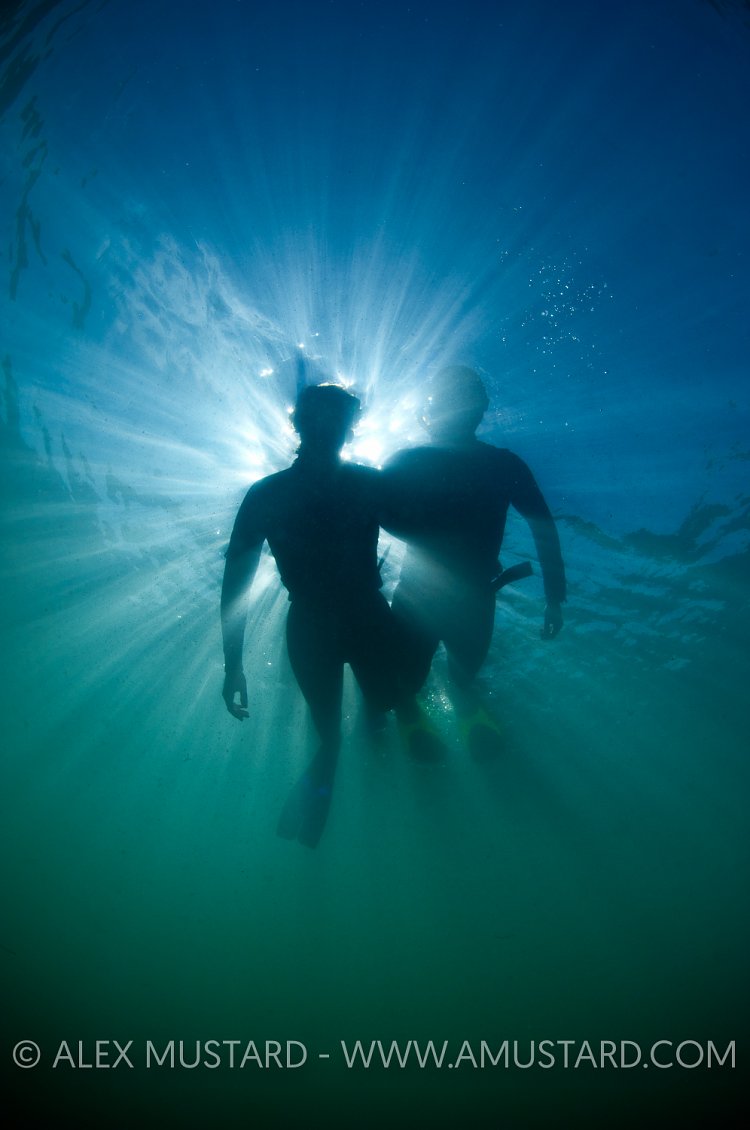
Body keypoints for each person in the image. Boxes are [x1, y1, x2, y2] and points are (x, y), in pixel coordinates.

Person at [221, 383, 401, 847]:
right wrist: (232, 665)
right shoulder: (364, 483)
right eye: (322, 417)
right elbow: (235, 584)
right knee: (361, 719)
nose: (327, 427)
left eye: (334, 418)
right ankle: (375, 737)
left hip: (325, 624)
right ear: (301, 423)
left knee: (355, 723)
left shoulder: (271, 493)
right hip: (346, 621)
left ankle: (378, 733)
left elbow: (235, 585)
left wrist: (234, 665)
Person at [382, 365, 566, 758]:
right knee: (424, 674)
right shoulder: (498, 464)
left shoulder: (413, 460)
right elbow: (544, 529)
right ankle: (420, 704)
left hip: (440, 593)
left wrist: (554, 597)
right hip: (451, 593)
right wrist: (554, 596)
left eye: (463, 401)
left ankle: (430, 704)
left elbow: (371, 517)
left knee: (449, 671)